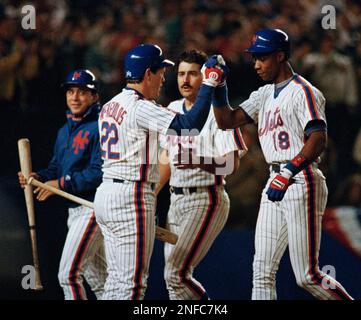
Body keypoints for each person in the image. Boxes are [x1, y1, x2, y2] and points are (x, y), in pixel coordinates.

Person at [211, 28, 354, 300]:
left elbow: (318, 139)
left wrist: (288, 172)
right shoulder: (264, 93)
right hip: (274, 179)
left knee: (307, 275)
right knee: (262, 270)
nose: (256, 64)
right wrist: (218, 88)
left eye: (262, 58)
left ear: (280, 56)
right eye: (254, 58)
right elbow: (226, 121)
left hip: (301, 177)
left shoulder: (304, 92)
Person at [93, 44, 226, 300]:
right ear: (147, 74)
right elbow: (189, 125)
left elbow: (166, 153)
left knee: (116, 281)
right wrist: (210, 83)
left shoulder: (110, 105)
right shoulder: (140, 106)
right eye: (161, 71)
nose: (164, 78)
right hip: (131, 194)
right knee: (131, 285)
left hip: (109, 191)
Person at [156, 49, 247, 300]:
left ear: (206, 76)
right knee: (174, 281)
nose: (185, 80)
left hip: (206, 198)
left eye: (193, 74)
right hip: (176, 200)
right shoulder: (173, 108)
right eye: (181, 74)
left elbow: (231, 166)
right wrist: (151, 195)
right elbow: (165, 159)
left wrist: (197, 161)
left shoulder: (220, 112)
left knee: (175, 274)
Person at [18, 69, 107, 300]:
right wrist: (37, 177)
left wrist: (59, 183)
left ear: (95, 96)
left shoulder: (101, 127)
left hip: (91, 207)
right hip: (74, 210)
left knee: (68, 276)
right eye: (70, 91)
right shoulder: (63, 131)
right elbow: (56, 168)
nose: (74, 97)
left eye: (82, 92)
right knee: (101, 282)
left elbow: (99, 173)